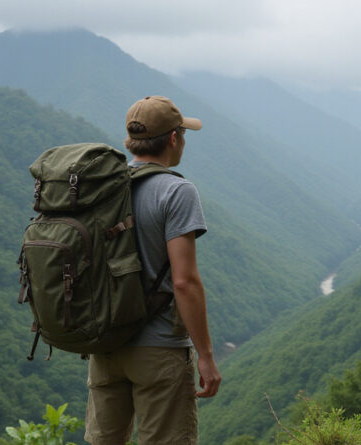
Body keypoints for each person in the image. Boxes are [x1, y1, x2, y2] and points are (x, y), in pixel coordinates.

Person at [85, 96, 221, 445]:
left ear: (131, 140)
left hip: (106, 344)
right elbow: (184, 281)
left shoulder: (103, 187)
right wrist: (205, 356)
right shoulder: (177, 191)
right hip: (159, 348)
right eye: (183, 135)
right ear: (174, 139)